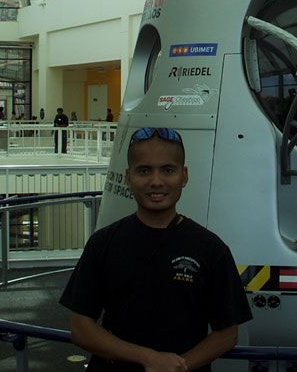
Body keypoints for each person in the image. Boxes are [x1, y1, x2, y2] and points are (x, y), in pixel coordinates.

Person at [60, 127, 252, 371]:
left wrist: (177, 367)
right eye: (144, 171)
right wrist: (149, 359)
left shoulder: (211, 249)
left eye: (168, 170)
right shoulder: (103, 243)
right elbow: (81, 328)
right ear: (128, 177)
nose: (156, 181)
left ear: (184, 176)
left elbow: (227, 333)